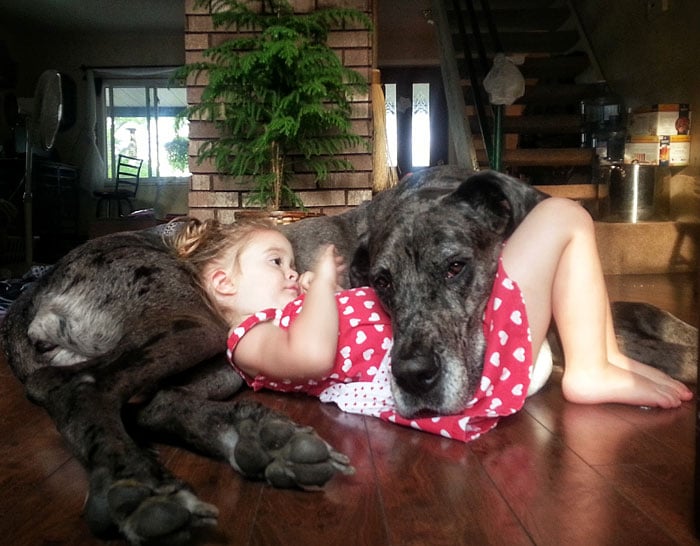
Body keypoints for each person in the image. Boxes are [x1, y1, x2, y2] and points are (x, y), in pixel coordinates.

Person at [172, 201, 692, 442]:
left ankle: (605, 357)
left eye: (290, 261)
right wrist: (323, 289)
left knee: (549, 237)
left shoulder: (289, 314)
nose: (292, 272)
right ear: (223, 285)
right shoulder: (248, 338)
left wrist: (315, 296)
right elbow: (311, 356)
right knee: (564, 216)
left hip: (469, 350)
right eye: (276, 262)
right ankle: (588, 370)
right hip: (473, 370)